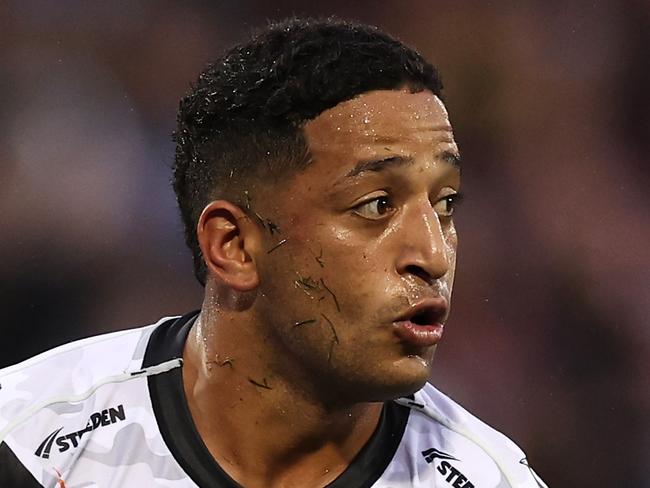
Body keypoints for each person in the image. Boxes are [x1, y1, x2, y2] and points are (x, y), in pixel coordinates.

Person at [0, 17, 547, 488]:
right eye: (376, 205)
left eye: (445, 203)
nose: (434, 253)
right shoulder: (27, 445)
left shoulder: (490, 476)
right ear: (234, 246)